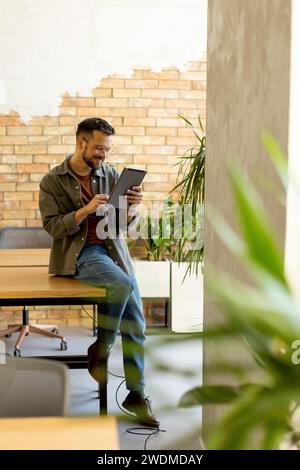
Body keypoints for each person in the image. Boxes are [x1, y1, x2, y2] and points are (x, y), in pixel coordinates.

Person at [39, 117, 159, 427]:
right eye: (98, 149)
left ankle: (136, 395)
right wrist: (86, 210)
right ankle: (102, 348)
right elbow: (53, 227)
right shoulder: (52, 181)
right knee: (119, 284)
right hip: (82, 253)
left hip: (114, 251)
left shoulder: (110, 175)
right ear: (80, 143)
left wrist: (132, 208)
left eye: (107, 149)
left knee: (136, 325)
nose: (103, 155)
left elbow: (123, 227)